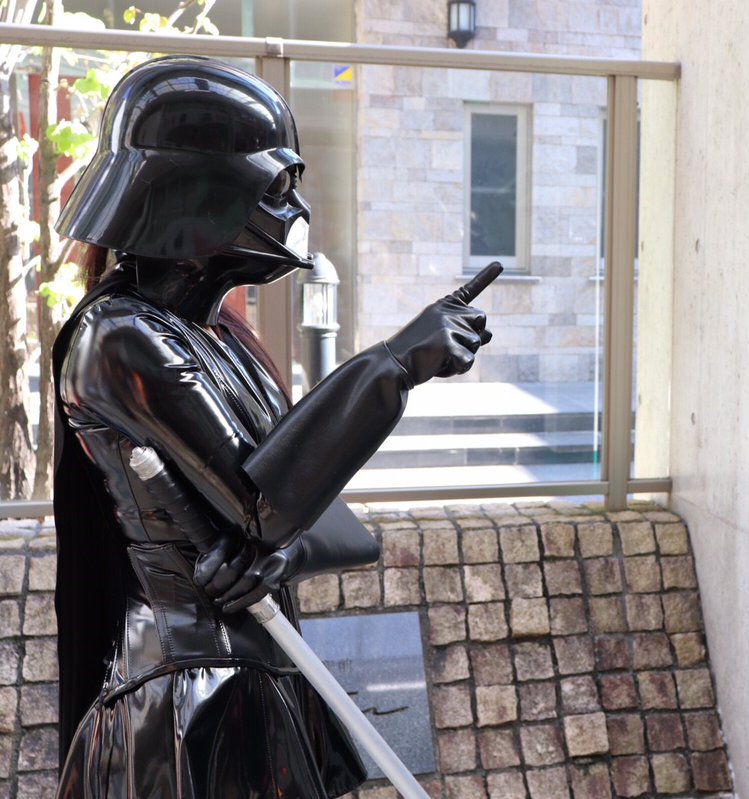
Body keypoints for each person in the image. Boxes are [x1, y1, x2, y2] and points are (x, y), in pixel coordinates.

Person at [51, 56, 494, 797]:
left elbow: (318, 516)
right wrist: (393, 364)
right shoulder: (120, 337)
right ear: (202, 192)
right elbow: (266, 502)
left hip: (248, 681)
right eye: (277, 185)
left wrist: (278, 553)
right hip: (181, 702)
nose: (294, 207)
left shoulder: (218, 340)